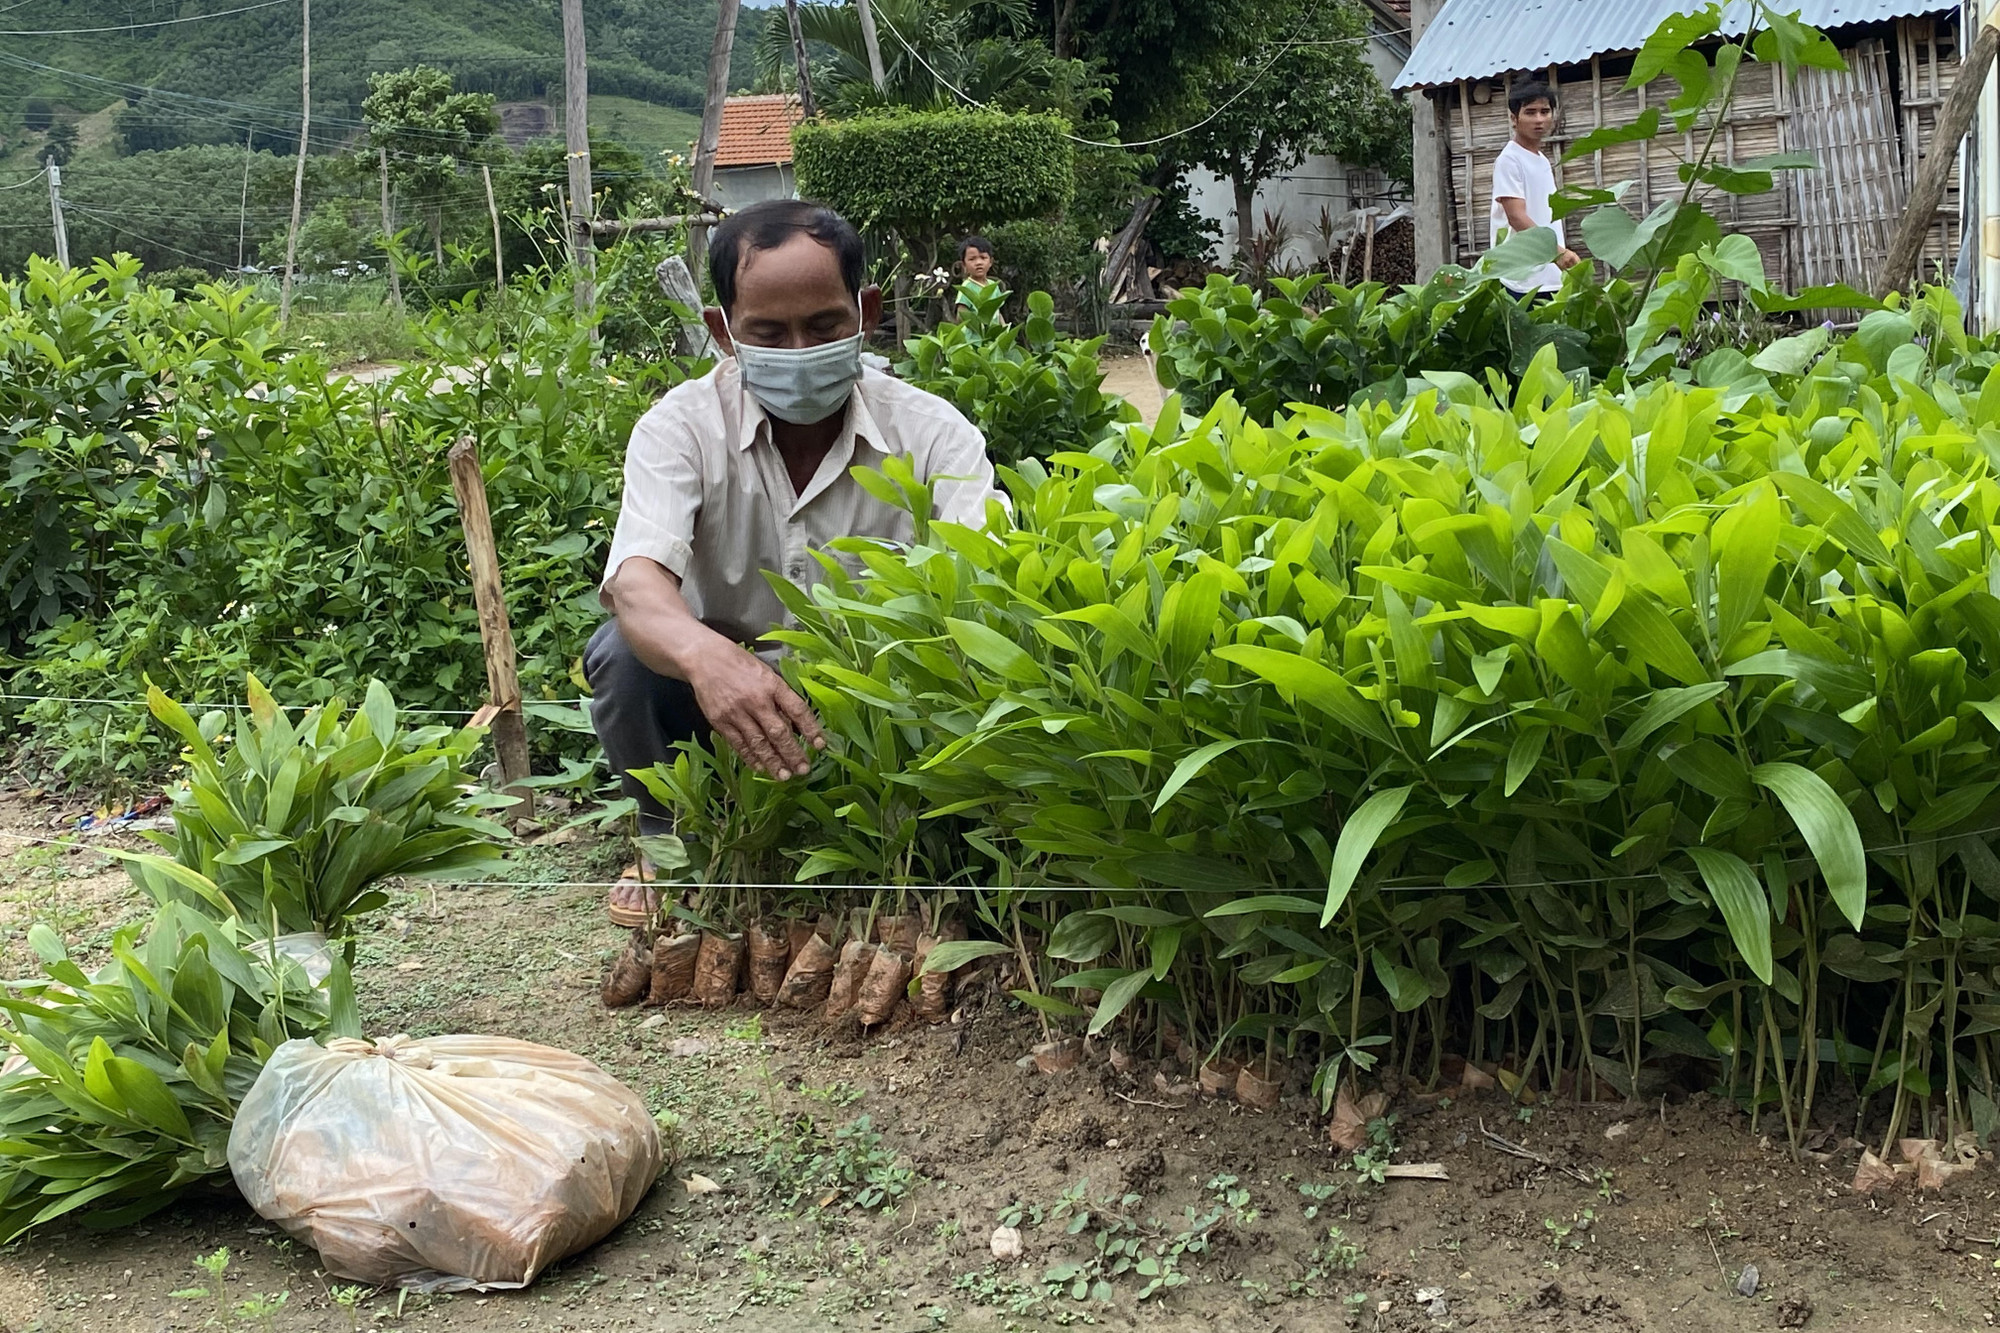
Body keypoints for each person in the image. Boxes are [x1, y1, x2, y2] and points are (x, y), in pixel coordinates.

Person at [589, 199, 1006, 926]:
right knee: (625, 652)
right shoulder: (681, 427)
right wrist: (710, 660)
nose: (799, 352)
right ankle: (673, 841)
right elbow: (636, 582)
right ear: (724, 332)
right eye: (768, 333)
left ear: (865, 313)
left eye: (823, 326)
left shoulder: (933, 433)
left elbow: (988, 580)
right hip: (720, 699)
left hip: (880, 702)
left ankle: (917, 847)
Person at [1489, 81, 1581, 296]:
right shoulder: (1509, 160)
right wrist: (1557, 252)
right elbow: (1516, 217)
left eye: (1544, 111)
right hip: (1521, 276)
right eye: (1530, 112)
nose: (1539, 119)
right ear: (1514, 118)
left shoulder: (1541, 160)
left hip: (1549, 274)